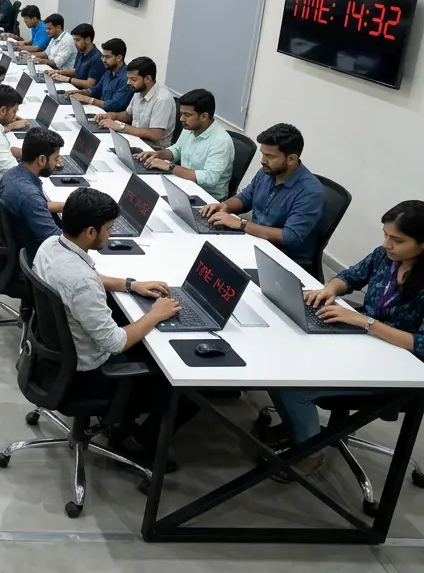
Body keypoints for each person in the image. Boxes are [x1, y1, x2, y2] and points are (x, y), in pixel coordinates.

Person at [260, 201, 424, 474]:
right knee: (280, 361)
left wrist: (366, 322)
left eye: (397, 240)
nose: (387, 244)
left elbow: (421, 344)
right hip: (363, 341)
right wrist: (330, 289)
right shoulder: (385, 257)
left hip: (400, 367)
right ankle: (298, 430)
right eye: (385, 235)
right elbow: (350, 277)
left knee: (293, 386)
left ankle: (310, 454)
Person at [34, 186, 191, 465]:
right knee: (183, 384)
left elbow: (88, 278)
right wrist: (155, 314)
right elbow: (115, 343)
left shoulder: (50, 246)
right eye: (108, 228)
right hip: (87, 377)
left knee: (131, 322)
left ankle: (123, 422)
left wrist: (130, 284)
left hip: (53, 359)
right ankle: (141, 445)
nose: (111, 233)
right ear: (90, 232)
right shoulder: (81, 282)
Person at [199, 123, 324, 263]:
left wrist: (241, 224)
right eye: (263, 154)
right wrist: (225, 206)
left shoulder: (310, 192)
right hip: (255, 240)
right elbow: (245, 198)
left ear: (291, 159)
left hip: (282, 257)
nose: (263, 161)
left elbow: (289, 237)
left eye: (270, 156)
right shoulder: (268, 172)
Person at [137, 89, 235, 200]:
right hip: (184, 185)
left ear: (204, 116)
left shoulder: (221, 141)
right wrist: (158, 154)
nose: (181, 119)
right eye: (181, 114)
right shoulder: (190, 127)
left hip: (206, 198)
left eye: (187, 115)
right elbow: (177, 149)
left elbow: (209, 178)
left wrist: (170, 167)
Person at [1, 128, 67, 259]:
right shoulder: (29, 195)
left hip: (18, 242)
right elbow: (56, 242)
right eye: (55, 158)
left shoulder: (12, 174)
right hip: (34, 253)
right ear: (41, 160)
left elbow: (37, 206)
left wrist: (69, 206)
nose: (57, 163)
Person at [94, 57, 175, 150]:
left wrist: (121, 127)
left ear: (147, 78)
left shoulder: (162, 99)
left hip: (153, 149)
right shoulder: (138, 91)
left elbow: (155, 135)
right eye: (128, 78)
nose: (128, 83)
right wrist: (112, 116)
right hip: (135, 139)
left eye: (133, 79)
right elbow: (128, 115)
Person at [70, 38, 133, 113]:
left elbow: (115, 105)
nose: (103, 60)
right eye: (103, 56)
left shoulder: (126, 78)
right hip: (100, 112)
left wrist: (88, 99)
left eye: (107, 57)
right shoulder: (108, 71)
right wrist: (79, 92)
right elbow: (96, 90)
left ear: (119, 57)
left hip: (112, 116)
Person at [51, 23, 105, 90]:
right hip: (75, 89)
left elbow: (89, 84)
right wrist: (58, 72)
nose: (75, 43)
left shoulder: (97, 58)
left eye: (78, 40)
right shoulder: (80, 52)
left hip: (84, 93)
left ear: (87, 40)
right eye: (74, 40)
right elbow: (76, 71)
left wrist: (67, 79)